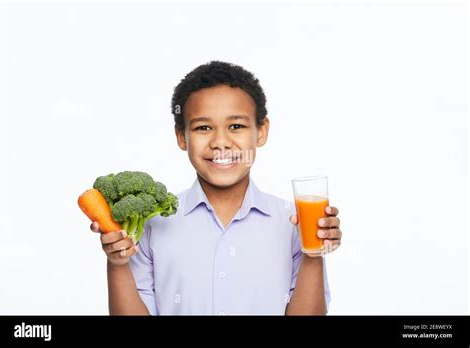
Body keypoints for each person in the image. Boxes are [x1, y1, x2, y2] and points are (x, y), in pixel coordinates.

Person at [91, 61, 342, 315]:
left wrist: (313, 253)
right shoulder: (152, 225)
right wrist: (117, 264)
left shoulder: (293, 224)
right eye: (203, 128)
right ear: (181, 137)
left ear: (261, 131)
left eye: (236, 126)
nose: (221, 142)